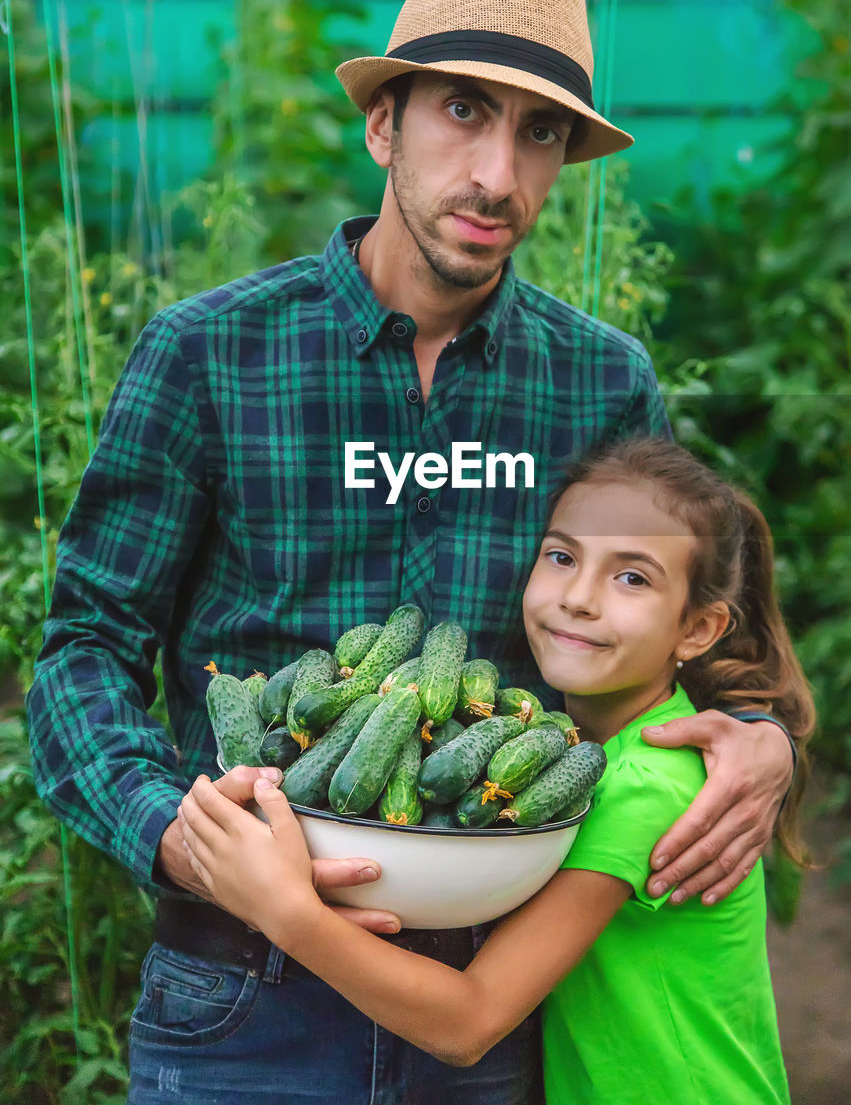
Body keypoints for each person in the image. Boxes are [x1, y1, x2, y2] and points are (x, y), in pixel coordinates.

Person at [27, 0, 798, 1103]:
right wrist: (171, 834)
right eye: (461, 112)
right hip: (244, 993)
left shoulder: (599, 381)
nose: (496, 173)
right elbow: (82, 647)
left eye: (538, 133)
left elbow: (663, 617)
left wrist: (751, 729)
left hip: (491, 988)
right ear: (384, 124)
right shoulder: (210, 353)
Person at [179, 436, 816, 1103]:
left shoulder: (646, 785)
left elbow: (468, 1021)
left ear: (696, 629)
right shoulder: (590, 757)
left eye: (632, 577)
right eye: (562, 556)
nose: (578, 597)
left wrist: (284, 911)